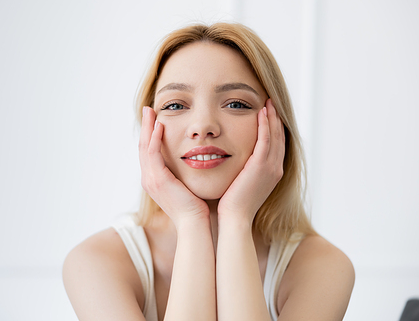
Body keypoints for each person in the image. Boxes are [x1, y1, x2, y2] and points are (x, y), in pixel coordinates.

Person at [63, 22, 355, 321]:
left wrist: (237, 219)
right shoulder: (96, 262)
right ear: (149, 131)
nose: (203, 125)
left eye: (236, 103)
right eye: (175, 105)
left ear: (277, 126)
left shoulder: (323, 266)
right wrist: (191, 224)